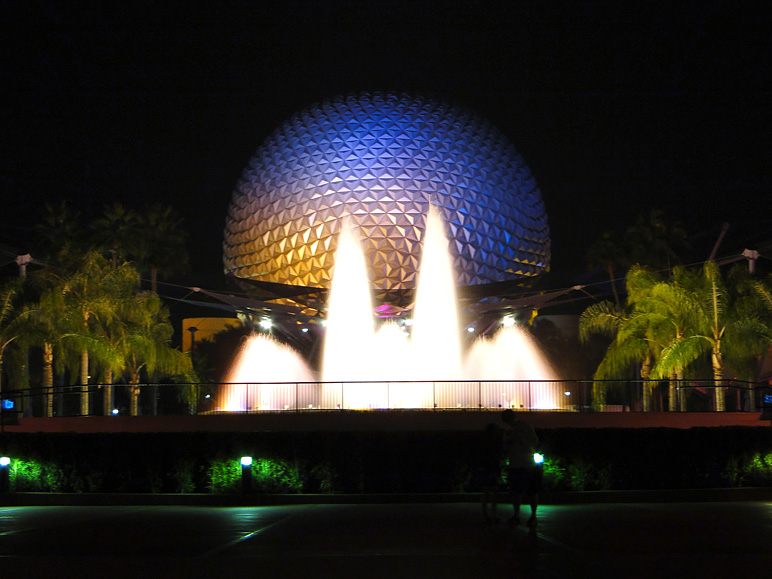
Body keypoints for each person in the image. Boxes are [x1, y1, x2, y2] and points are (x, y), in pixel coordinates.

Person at [501, 408, 542, 527]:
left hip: (523, 463)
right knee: (522, 491)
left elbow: (533, 442)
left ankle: (525, 515)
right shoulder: (514, 429)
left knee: (526, 491)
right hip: (522, 463)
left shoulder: (522, 428)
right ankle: (527, 516)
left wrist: (518, 440)